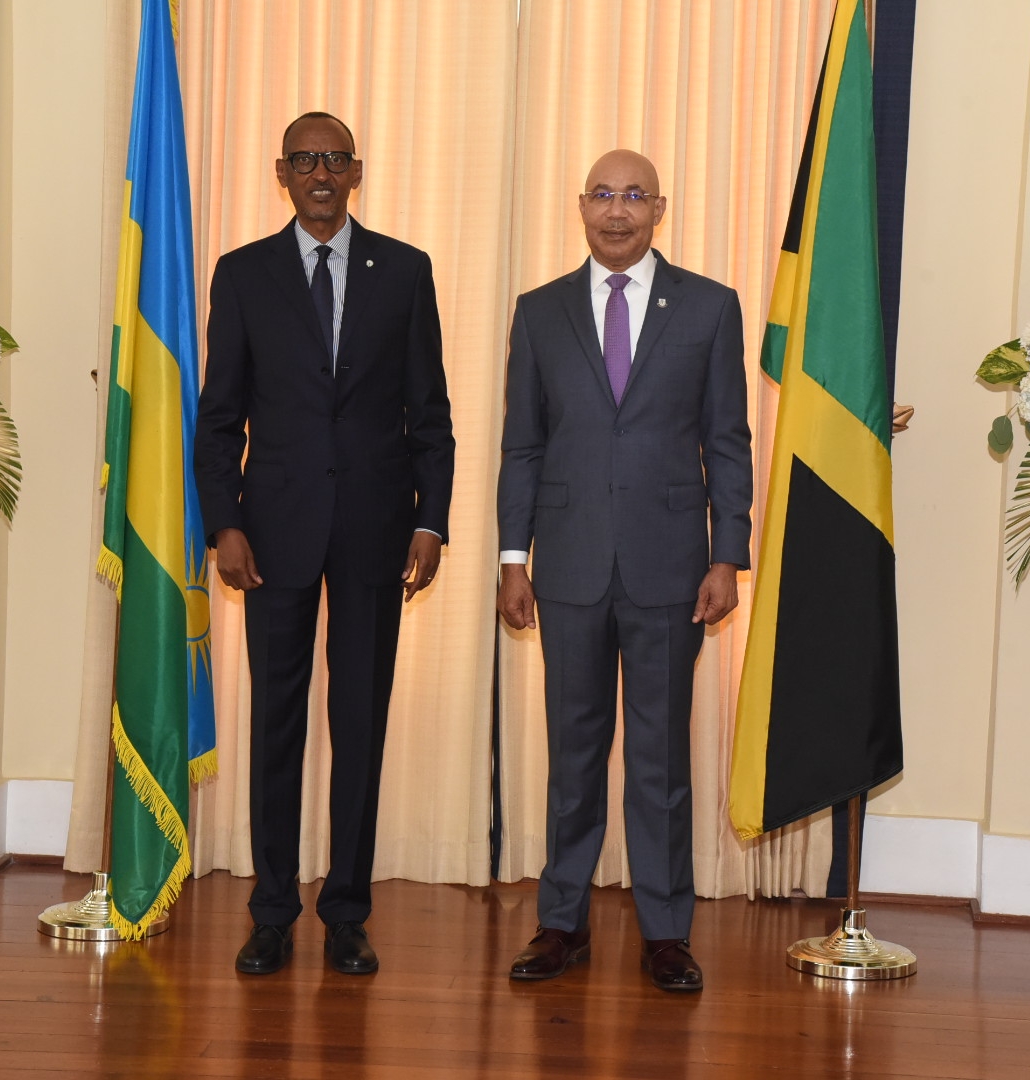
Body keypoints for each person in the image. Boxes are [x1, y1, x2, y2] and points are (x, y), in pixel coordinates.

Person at [194, 111, 454, 977]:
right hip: (271, 535)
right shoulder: (244, 274)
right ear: (282, 172)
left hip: (378, 531)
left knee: (360, 723)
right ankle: (272, 911)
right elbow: (219, 418)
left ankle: (347, 911)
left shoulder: (405, 271)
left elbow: (432, 415)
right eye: (304, 159)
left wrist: (430, 521)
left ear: (355, 171)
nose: (319, 173)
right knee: (276, 722)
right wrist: (225, 524)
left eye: (334, 159)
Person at [495, 150, 752, 992]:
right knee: (573, 756)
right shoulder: (539, 312)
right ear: (581, 206)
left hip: (672, 570)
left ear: (659, 210)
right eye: (603, 195)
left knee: (659, 762)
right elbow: (523, 446)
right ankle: (561, 923)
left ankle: (666, 932)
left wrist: (727, 555)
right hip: (566, 568)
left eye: (634, 196)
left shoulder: (709, 307)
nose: (617, 210)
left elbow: (727, 442)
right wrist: (512, 558)